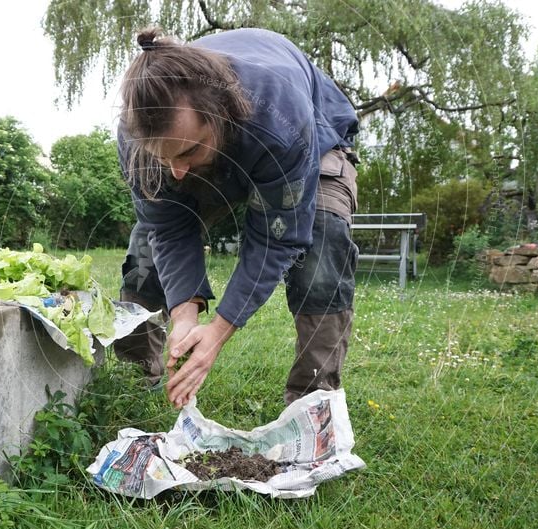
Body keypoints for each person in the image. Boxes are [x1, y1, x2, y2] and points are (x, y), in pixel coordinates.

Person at [112, 27, 360, 410]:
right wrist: (184, 316)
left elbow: (276, 237)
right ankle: (132, 380)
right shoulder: (137, 137)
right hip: (215, 143)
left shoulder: (281, 119)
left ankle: (313, 404)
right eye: (164, 158)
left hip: (312, 138)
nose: (176, 172)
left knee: (322, 242)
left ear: (220, 113)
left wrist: (218, 331)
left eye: (188, 151)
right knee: (145, 250)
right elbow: (167, 227)